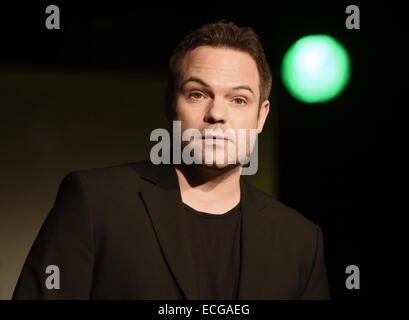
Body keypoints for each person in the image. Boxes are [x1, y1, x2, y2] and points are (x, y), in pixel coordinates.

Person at [12, 21, 330, 300]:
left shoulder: (300, 241)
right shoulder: (96, 203)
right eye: (197, 94)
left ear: (261, 117)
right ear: (169, 104)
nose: (217, 114)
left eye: (238, 99)